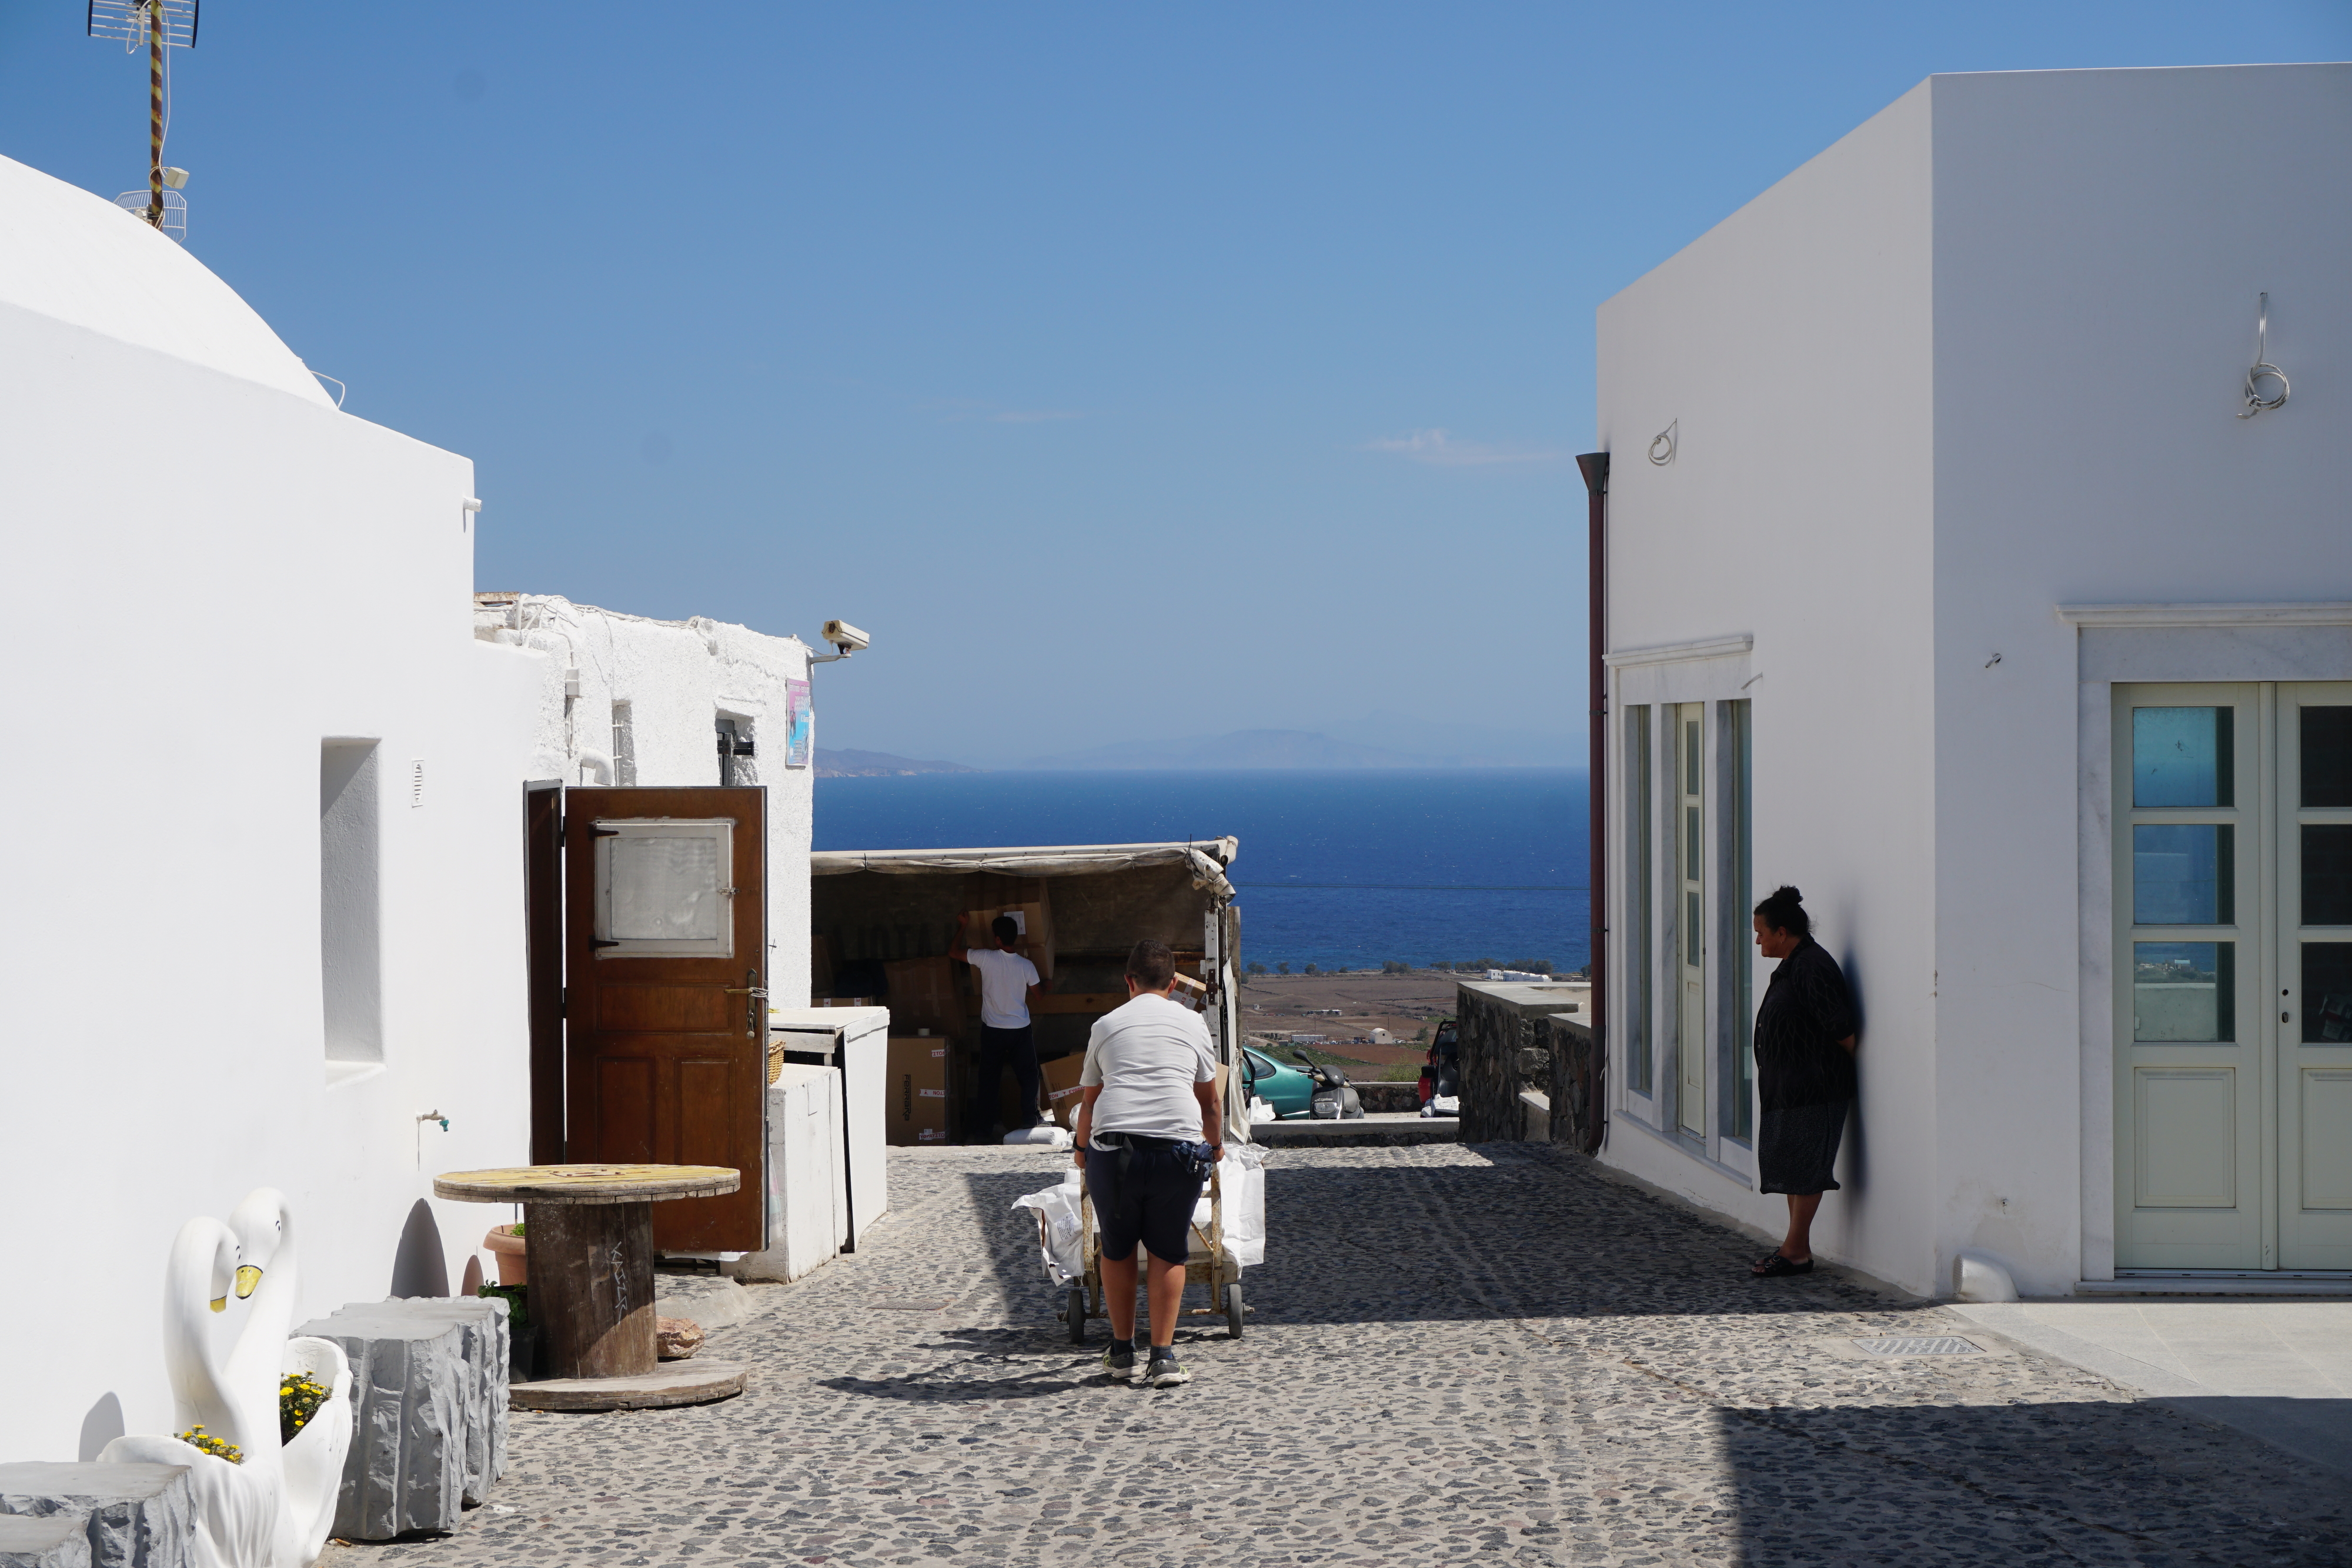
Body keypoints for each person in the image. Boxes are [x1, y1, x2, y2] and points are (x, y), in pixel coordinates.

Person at [1072, 938, 1223, 1388]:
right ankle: (1163, 1357)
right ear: (1174, 982)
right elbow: (1210, 1101)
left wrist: (1081, 1152)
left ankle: (1121, 1352)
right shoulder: (1193, 1023)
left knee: (1116, 1249)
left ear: (1128, 981)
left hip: (1114, 1151)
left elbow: (1089, 1102)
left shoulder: (1105, 1025)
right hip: (1176, 1152)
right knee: (1168, 1248)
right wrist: (1214, 1147)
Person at [1748, 885, 1857, 1277]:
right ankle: (1797, 1247)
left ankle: (1795, 1251)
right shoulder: (1796, 963)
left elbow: (1842, 1028)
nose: (1757, 938)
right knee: (1795, 1167)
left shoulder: (1812, 965)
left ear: (1782, 932)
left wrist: (1818, 1068)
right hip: (1792, 1091)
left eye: (1761, 931)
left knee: (1807, 1168)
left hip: (1814, 1090)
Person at [951, 914, 1046, 1138]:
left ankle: (984, 1129)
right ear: (1015, 939)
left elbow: (953, 952)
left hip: (993, 1030)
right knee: (1029, 1076)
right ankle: (1030, 1120)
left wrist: (963, 926)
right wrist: (1047, 985)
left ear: (997, 940)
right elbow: (1039, 995)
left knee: (989, 1079)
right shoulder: (1027, 965)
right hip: (1020, 1030)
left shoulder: (985, 958)